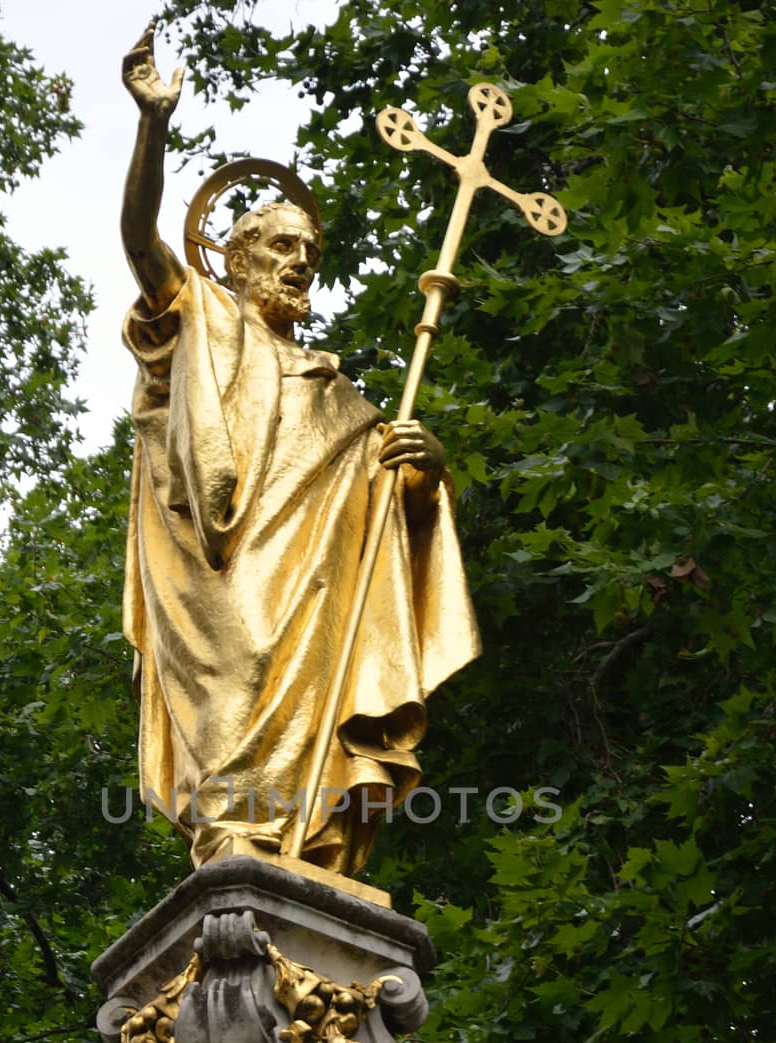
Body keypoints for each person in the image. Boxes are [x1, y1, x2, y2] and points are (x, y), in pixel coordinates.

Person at [119, 25, 480, 877]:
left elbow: (385, 523)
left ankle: (304, 855)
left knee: (303, 712)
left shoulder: (336, 392)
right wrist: (152, 126)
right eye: (281, 246)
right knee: (236, 670)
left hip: (313, 598)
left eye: (309, 252)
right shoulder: (196, 323)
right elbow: (141, 239)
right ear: (234, 260)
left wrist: (419, 473)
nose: (300, 262)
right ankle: (236, 846)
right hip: (219, 565)